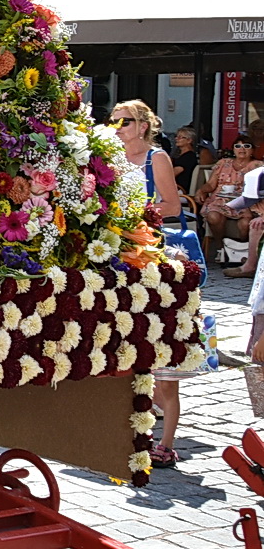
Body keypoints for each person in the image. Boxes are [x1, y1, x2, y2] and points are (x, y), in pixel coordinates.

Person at [113, 99, 188, 466]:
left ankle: (165, 439)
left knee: (158, 338)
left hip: (151, 251)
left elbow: (173, 204)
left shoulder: (155, 158)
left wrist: (139, 216)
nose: (118, 127)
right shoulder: (110, 155)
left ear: (143, 125)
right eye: (113, 121)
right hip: (118, 251)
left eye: (124, 121)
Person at [192, 136, 257, 262]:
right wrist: (201, 190)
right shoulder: (223, 163)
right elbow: (211, 185)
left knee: (245, 223)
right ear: (233, 149)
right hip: (220, 199)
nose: (242, 149)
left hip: (243, 201)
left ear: (252, 150)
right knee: (213, 216)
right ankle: (220, 248)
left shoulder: (257, 166)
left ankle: (240, 250)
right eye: (237, 146)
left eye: (246, 146)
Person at [170, 125, 216, 196]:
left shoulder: (188, 157)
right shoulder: (180, 155)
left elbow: (171, 174)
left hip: (179, 190)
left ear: (189, 140)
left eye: (181, 137)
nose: (177, 138)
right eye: (177, 136)